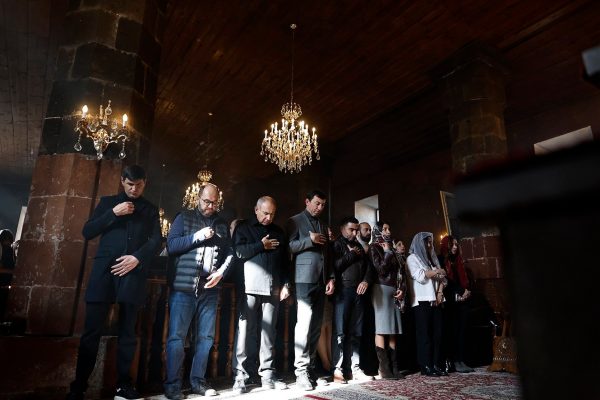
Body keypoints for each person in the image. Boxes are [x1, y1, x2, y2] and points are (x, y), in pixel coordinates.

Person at [65, 165, 161, 400]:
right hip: (104, 274)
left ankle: (123, 386)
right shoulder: (108, 203)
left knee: (128, 333)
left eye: (139, 185)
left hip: (133, 274)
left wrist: (137, 258)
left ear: (145, 183)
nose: (134, 189)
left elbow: (157, 241)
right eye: (130, 184)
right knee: (91, 333)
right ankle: (78, 388)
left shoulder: (150, 209)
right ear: (122, 181)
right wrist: (113, 213)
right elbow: (87, 231)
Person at [164, 183, 234, 399]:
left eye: (214, 203)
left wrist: (221, 272)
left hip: (210, 290)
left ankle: (198, 382)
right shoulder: (183, 218)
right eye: (206, 201)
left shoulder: (222, 224)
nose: (210, 206)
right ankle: (173, 385)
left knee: (205, 338)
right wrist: (197, 236)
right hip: (183, 288)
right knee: (177, 338)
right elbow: (171, 246)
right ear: (198, 198)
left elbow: (230, 253)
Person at [231, 196, 290, 393]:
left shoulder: (278, 231)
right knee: (245, 332)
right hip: (250, 286)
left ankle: (267, 375)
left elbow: (285, 262)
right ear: (256, 210)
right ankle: (240, 376)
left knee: (269, 334)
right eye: (265, 213)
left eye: (272, 214)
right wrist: (260, 245)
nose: (268, 218)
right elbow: (238, 252)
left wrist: (286, 284)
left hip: (274, 288)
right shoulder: (244, 227)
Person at [287, 189, 335, 391]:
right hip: (303, 279)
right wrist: (309, 240)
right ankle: (300, 371)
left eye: (323, 205)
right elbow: (288, 247)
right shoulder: (295, 221)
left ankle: (310, 368)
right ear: (307, 201)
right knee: (304, 325)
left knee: (316, 327)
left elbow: (327, 253)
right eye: (317, 203)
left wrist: (331, 277)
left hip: (321, 280)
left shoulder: (323, 224)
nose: (320, 207)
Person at [331, 216, 374, 383]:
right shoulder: (336, 244)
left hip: (359, 293)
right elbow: (334, 267)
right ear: (342, 229)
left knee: (357, 332)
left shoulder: (358, 246)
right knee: (340, 333)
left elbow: (369, 267)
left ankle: (354, 369)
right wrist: (350, 255)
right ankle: (338, 370)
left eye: (357, 230)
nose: (355, 233)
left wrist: (366, 281)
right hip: (342, 292)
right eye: (351, 230)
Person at [407, 232, 447, 377]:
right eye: (427, 242)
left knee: (438, 334)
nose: (430, 245)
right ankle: (426, 365)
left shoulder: (431, 259)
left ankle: (436, 364)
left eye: (431, 242)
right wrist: (437, 271)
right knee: (424, 335)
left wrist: (440, 292)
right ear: (420, 244)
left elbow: (443, 278)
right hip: (421, 300)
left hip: (436, 299)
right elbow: (420, 276)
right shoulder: (412, 258)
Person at [369, 222, 405, 379]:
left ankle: (394, 367)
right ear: (377, 230)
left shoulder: (392, 248)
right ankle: (384, 368)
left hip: (394, 290)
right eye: (384, 229)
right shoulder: (373, 247)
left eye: (389, 228)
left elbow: (400, 272)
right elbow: (380, 270)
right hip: (380, 288)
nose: (388, 231)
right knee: (382, 328)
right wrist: (388, 253)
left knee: (393, 329)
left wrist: (402, 288)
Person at [439, 235, 474, 373]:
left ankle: (461, 360)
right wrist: (460, 291)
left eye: (456, 244)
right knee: (452, 331)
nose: (455, 247)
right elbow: (446, 281)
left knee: (462, 331)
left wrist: (466, 292)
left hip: (462, 300)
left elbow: (463, 279)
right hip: (450, 302)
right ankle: (454, 361)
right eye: (452, 244)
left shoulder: (458, 260)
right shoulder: (441, 259)